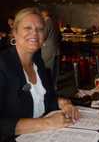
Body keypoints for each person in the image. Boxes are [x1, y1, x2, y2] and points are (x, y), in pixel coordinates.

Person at [0, 8, 79, 142]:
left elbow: (45, 100)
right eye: (27, 28)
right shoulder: (3, 65)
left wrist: (63, 104)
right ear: (15, 32)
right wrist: (46, 123)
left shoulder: (38, 61)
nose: (35, 33)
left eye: (40, 29)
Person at [41, 8, 61, 87]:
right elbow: (60, 36)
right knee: (55, 71)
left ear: (43, 15)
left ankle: (48, 87)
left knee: (48, 69)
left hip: (48, 50)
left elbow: (43, 37)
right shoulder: (55, 22)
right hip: (56, 49)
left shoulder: (47, 23)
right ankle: (54, 86)